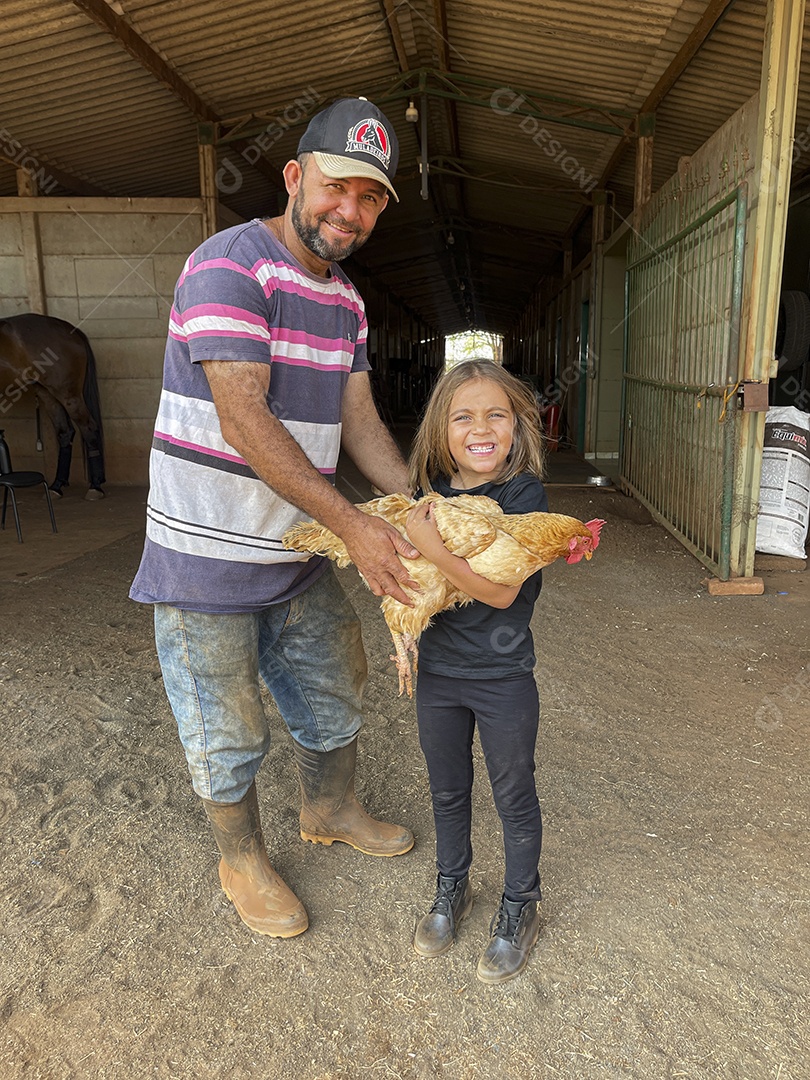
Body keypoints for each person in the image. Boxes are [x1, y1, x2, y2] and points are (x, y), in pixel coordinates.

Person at [129, 97, 421, 940]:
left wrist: (414, 503)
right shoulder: (229, 267)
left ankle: (330, 808)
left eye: (370, 199)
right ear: (295, 177)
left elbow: (358, 418)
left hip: (296, 549)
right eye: (336, 188)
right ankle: (241, 858)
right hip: (205, 557)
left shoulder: (347, 301)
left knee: (336, 682)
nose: (350, 211)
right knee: (226, 723)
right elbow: (243, 419)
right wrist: (357, 526)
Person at [403, 359, 547, 984]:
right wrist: (400, 615)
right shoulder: (428, 494)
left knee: (513, 793)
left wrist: (430, 546)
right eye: (463, 417)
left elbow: (501, 593)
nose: (481, 429)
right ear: (441, 428)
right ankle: (452, 886)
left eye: (496, 415)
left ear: (517, 426)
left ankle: (521, 904)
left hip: (502, 675)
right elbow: (412, 579)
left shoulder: (523, 497)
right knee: (447, 789)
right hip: (439, 673)